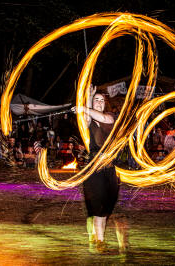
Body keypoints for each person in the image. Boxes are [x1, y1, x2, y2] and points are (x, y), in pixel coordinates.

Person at [72, 87, 127, 254]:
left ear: (106, 104)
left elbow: (102, 117)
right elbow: (86, 118)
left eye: (102, 100)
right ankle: (100, 241)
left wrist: (83, 106)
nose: (99, 102)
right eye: (96, 100)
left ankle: (96, 235)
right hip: (94, 169)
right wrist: (87, 99)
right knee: (98, 206)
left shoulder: (111, 117)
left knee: (106, 207)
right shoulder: (89, 119)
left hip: (110, 170)